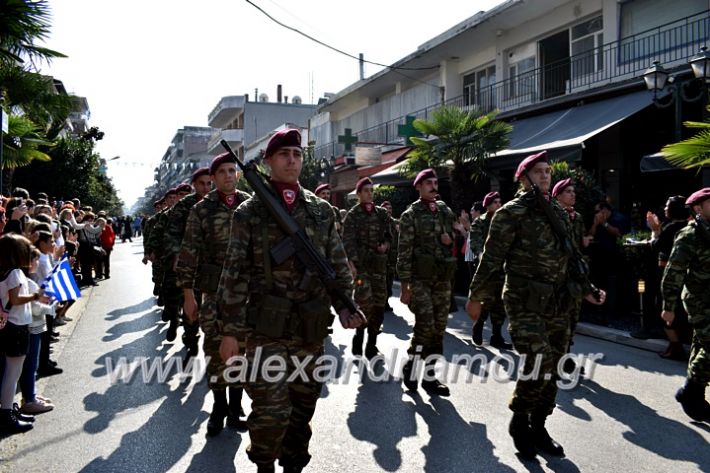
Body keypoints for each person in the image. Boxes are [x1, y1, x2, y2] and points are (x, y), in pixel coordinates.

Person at [217, 128, 363, 473]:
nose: (292, 160)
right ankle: (264, 464)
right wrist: (229, 332)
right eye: (284, 154)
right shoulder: (250, 213)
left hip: (309, 328)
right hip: (264, 329)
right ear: (268, 162)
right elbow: (233, 274)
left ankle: (294, 464)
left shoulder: (322, 210)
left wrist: (345, 304)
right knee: (271, 410)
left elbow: (337, 264)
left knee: (302, 407)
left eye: (297, 154)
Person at [466, 151, 605, 459]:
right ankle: (519, 420)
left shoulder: (558, 211)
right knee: (539, 360)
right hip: (523, 299)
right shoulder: (510, 213)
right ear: (523, 177)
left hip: (559, 301)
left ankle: (539, 425)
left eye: (548, 171)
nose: (545, 176)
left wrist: (587, 289)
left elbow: (572, 257)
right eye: (539, 171)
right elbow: (491, 259)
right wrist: (476, 297)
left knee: (555, 365)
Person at [177, 160, 249, 436]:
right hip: (214, 293)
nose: (228, 176)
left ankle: (235, 408)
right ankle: (219, 407)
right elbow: (189, 252)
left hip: (246, 293)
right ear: (214, 178)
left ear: (238, 175)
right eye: (222, 172)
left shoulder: (250, 205)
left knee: (242, 352)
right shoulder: (202, 209)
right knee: (216, 351)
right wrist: (188, 296)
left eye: (232, 171)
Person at [397, 168, 457, 396]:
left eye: (435, 182)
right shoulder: (410, 215)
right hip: (420, 280)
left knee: (439, 328)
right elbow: (404, 253)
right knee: (425, 326)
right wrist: (405, 287)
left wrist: (450, 238)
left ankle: (430, 379)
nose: (434, 186)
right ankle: (412, 367)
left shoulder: (443, 210)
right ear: (419, 187)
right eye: (428, 183)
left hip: (442, 278)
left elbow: (454, 235)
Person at [661, 188, 710, 422]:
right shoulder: (689, 235)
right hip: (699, 299)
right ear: (698, 209)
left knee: (701, 344)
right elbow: (673, 272)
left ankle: (696, 397)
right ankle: (690, 391)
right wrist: (668, 306)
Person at [0, 234, 51, 433]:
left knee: (11, 373)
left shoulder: (6, 271)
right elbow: (16, 299)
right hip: (16, 326)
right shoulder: (14, 273)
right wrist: (35, 296)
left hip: (10, 326)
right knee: (13, 374)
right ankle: (6, 414)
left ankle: (9, 408)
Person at [164, 171, 213, 359]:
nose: (206, 188)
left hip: (214, 266)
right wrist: (177, 255)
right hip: (191, 265)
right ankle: (191, 339)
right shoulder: (184, 206)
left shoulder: (217, 203)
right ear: (194, 184)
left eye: (209, 183)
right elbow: (172, 234)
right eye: (202, 184)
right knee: (192, 307)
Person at [342, 177, 391, 358]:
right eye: (366, 190)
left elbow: (389, 235)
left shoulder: (381, 214)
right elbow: (347, 241)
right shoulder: (352, 216)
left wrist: (386, 245)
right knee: (364, 303)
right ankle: (359, 335)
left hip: (378, 267)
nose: (370, 193)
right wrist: (352, 263)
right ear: (358, 194)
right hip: (361, 268)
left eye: (371, 190)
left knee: (379, 305)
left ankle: (372, 344)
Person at [552, 178, 593, 373]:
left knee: (573, 317)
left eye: (573, 191)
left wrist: (584, 241)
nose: (573, 194)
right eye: (568, 191)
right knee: (558, 318)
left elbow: (578, 244)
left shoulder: (578, 217)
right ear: (557, 195)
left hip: (575, 274)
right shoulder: (551, 215)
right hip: (557, 274)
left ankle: (566, 356)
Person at [647, 195, 690, 360]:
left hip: (668, 274)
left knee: (665, 308)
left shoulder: (672, 228)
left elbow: (656, 246)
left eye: (667, 206)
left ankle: (675, 345)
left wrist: (654, 231)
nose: (664, 208)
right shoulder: (688, 226)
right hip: (685, 275)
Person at [468, 191, 512, 349]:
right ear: (487, 205)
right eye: (495, 202)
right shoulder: (479, 222)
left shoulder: (505, 222)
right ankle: (478, 326)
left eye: (500, 202)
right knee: (485, 301)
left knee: (500, 303)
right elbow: (475, 241)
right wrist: (481, 255)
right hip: (486, 269)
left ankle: (497, 335)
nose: (499, 205)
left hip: (502, 268)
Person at [380, 200, 398, 311]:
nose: (389, 211)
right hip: (382, 257)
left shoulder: (395, 223)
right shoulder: (379, 222)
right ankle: (380, 303)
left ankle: (386, 301)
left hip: (392, 257)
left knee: (389, 281)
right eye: (386, 209)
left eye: (390, 209)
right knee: (381, 281)